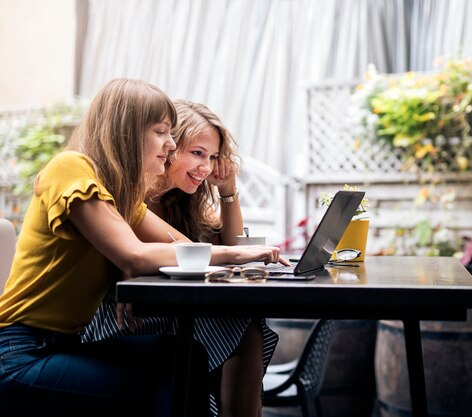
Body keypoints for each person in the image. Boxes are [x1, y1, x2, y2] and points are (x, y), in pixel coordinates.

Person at [0, 78, 284, 417]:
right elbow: (132, 255)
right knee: (162, 383)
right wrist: (233, 254)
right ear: (128, 131)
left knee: (185, 354)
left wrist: (231, 249)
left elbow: (184, 247)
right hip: (18, 354)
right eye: (162, 132)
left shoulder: (122, 197)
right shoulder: (71, 167)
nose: (170, 144)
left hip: (62, 345)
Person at [83, 100, 280, 417]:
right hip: (120, 316)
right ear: (171, 146)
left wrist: (228, 191)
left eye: (213, 157)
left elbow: (229, 243)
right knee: (241, 326)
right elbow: (192, 254)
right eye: (198, 153)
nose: (206, 166)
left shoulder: (180, 200)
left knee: (247, 325)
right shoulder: (132, 194)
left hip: (164, 309)